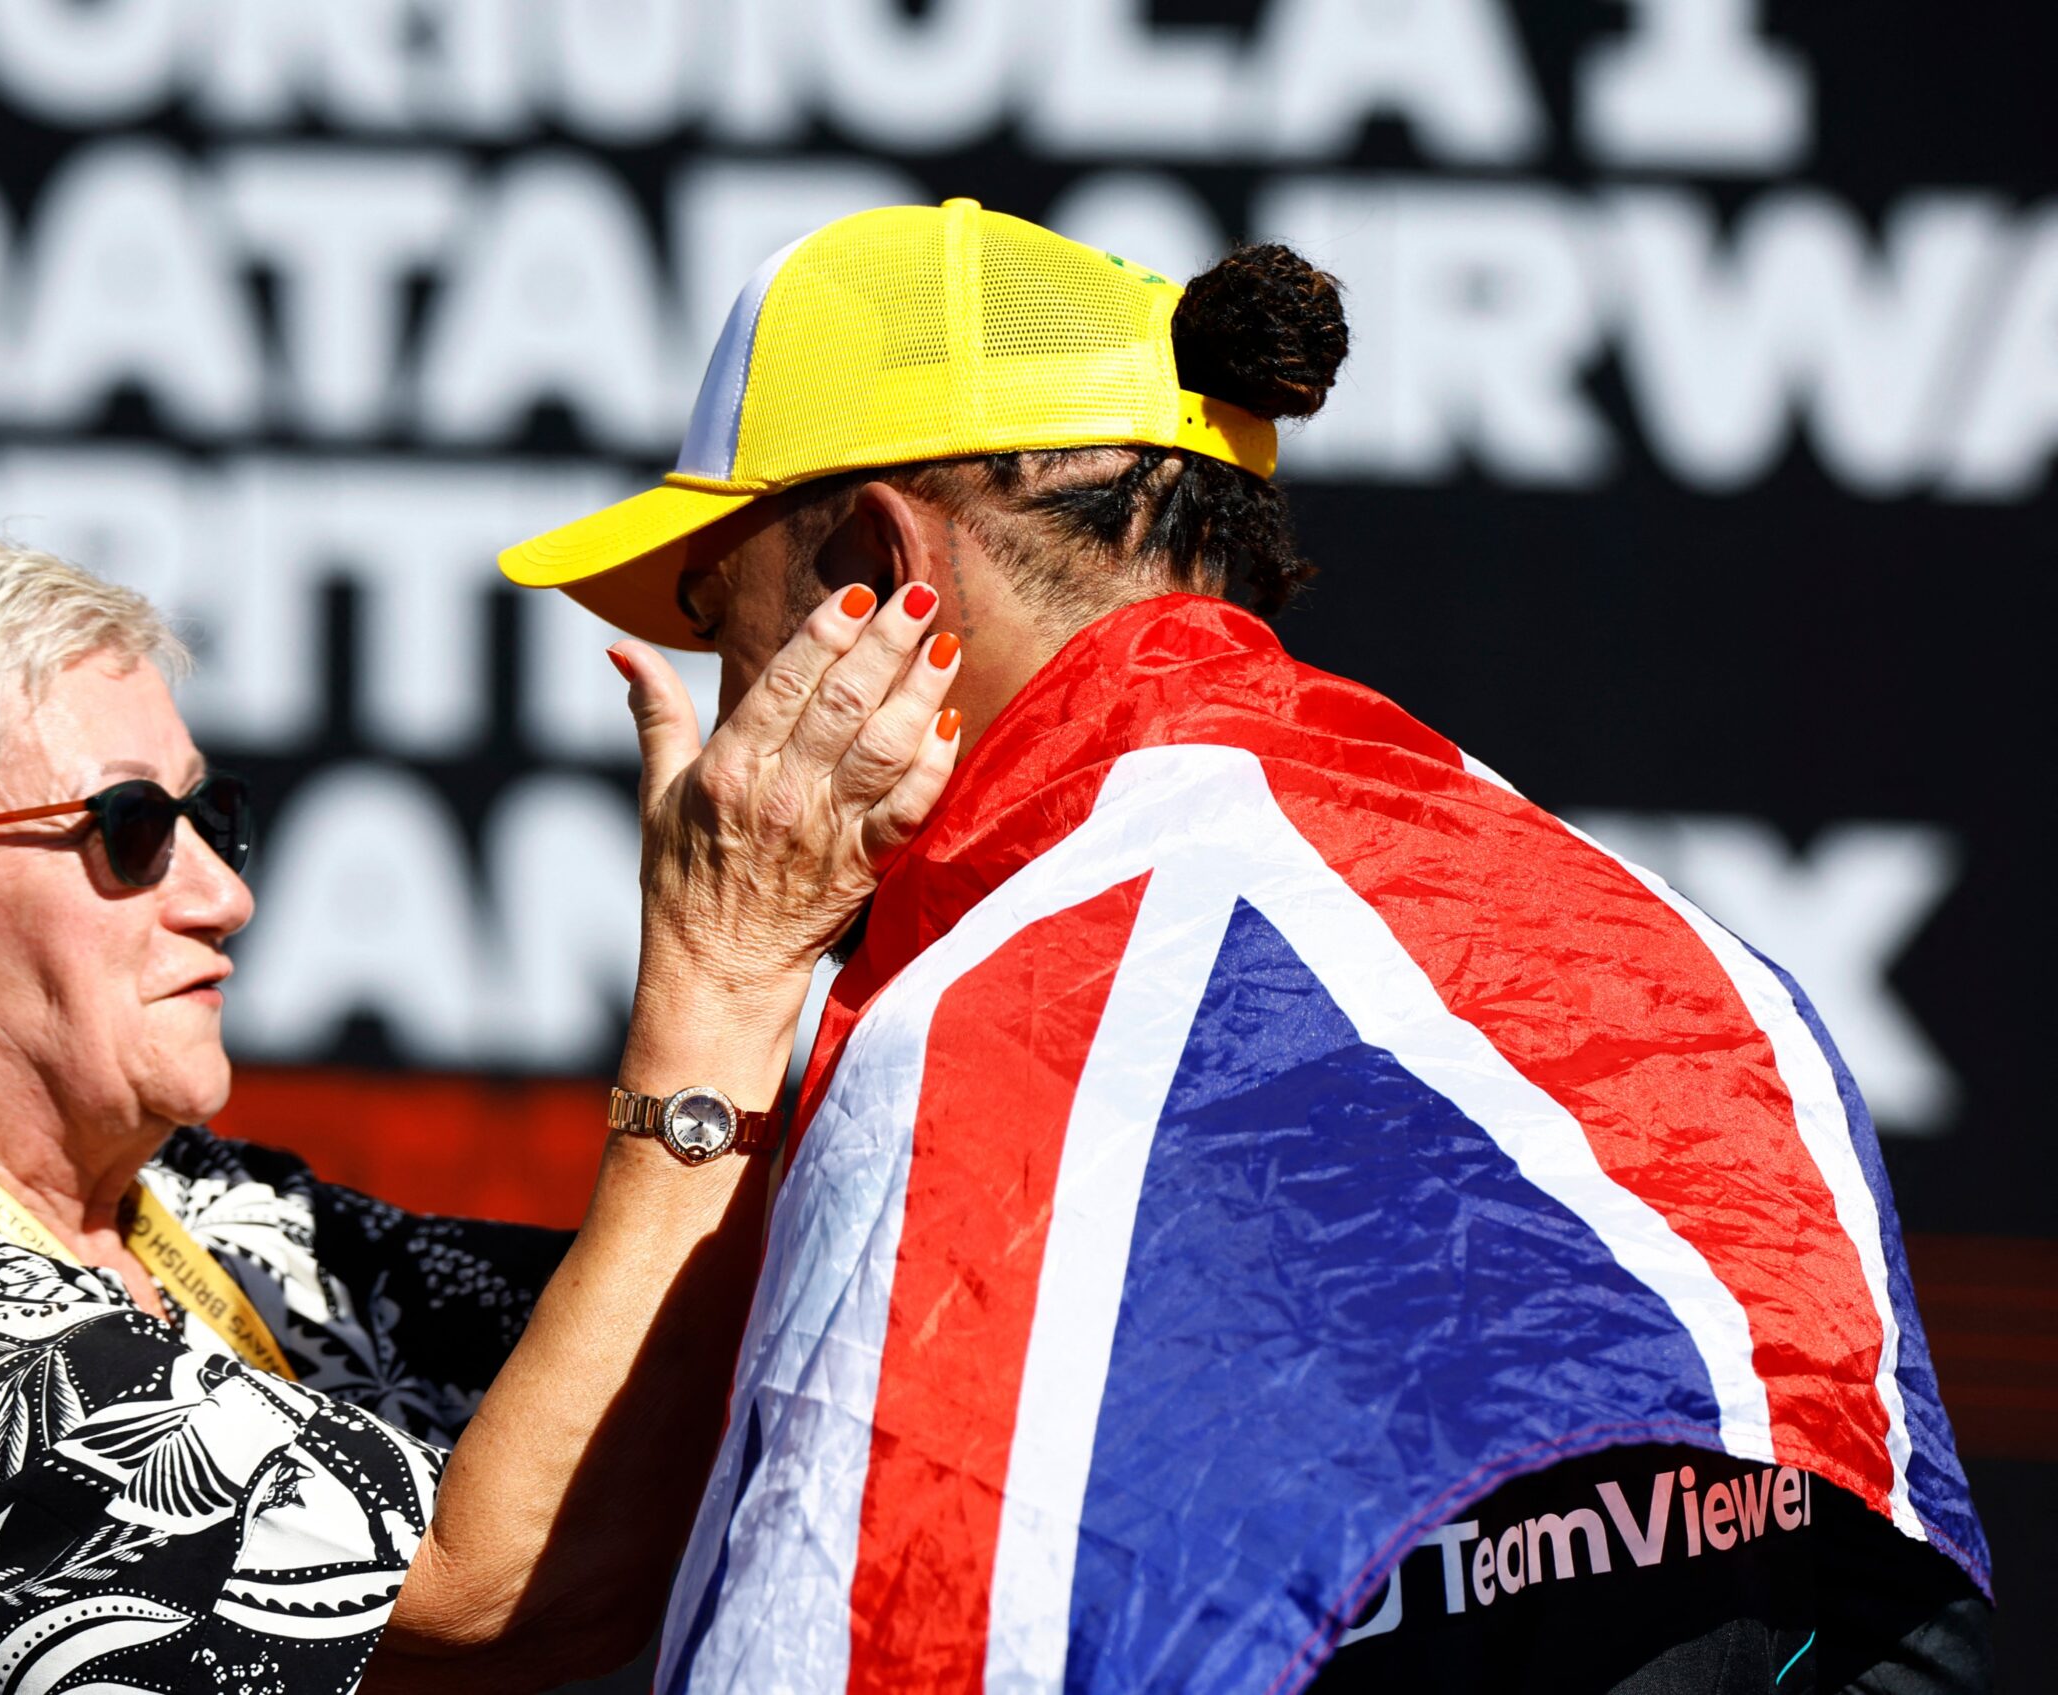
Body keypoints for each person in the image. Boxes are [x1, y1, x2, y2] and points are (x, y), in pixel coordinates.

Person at [501, 200, 1994, 1692]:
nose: (724, 674)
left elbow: (854, 1644)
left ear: (879, 578)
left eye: (718, 599)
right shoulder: (1702, 972)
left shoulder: (1003, 1034)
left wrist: (715, 989)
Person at [0, 522, 960, 1693]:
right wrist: (724, 971)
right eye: (131, 830)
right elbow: (498, 1589)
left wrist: (893, 893)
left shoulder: (206, 1213)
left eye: (214, 819)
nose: (224, 895)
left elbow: (720, 1341)